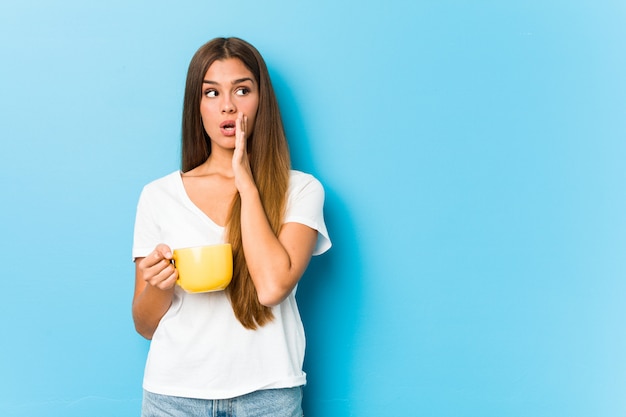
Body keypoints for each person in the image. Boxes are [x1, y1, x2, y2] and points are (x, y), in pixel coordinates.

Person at [131, 37, 331, 416]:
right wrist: (159, 285)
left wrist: (246, 181)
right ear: (197, 106)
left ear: (262, 101)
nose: (227, 105)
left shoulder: (302, 190)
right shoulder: (158, 195)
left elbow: (272, 287)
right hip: (173, 397)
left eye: (242, 89)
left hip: (268, 395)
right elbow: (144, 324)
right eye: (211, 92)